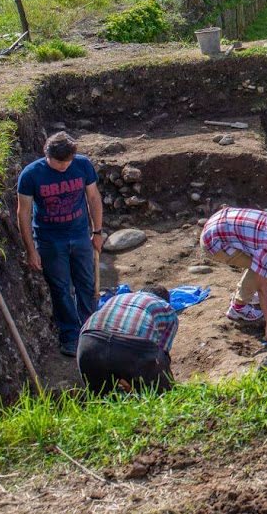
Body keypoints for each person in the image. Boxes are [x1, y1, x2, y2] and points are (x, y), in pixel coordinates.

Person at [15, 132, 104, 357]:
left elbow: (93, 198)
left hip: (80, 236)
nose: (64, 167)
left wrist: (97, 231)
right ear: (47, 155)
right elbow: (23, 213)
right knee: (61, 289)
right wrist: (31, 250)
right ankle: (70, 336)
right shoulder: (31, 175)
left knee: (86, 283)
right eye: (59, 163)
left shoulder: (82, 165)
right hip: (50, 241)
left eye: (68, 162)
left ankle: (91, 330)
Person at [200, 206, 267, 345]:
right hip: (213, 242)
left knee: (261, 264)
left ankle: (244, 297)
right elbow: (262, 289)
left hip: (219, 222)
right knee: (256, 270)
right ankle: (238, 307)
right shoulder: (265, 249)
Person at [77, 284, 177, 394]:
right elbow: (162, 353)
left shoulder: (116, 298)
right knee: (163, 393)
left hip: (88, 342)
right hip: (132, 346)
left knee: (101, 397)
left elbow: (110, 347)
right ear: (165, 300)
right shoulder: (167, 308)